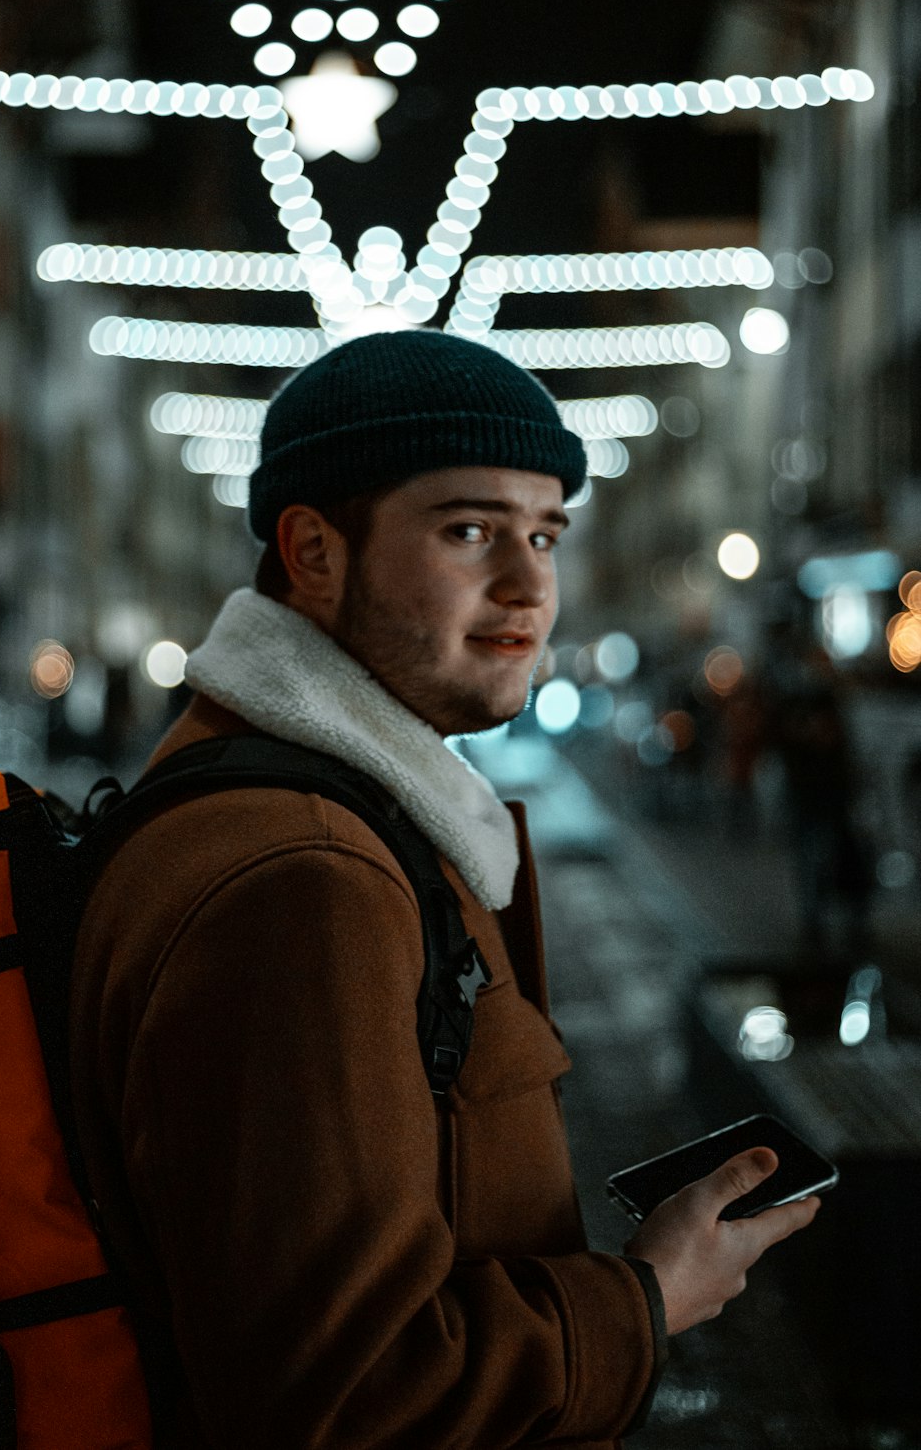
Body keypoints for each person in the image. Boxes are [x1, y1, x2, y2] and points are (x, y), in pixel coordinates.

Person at [69, 331, 821, 1449]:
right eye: (469, 529)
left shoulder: (324, 815)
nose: (528, 585)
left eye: (546, 533)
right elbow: (346, 1397)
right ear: (313, 553)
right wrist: (648, 1298)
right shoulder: (305, 879)